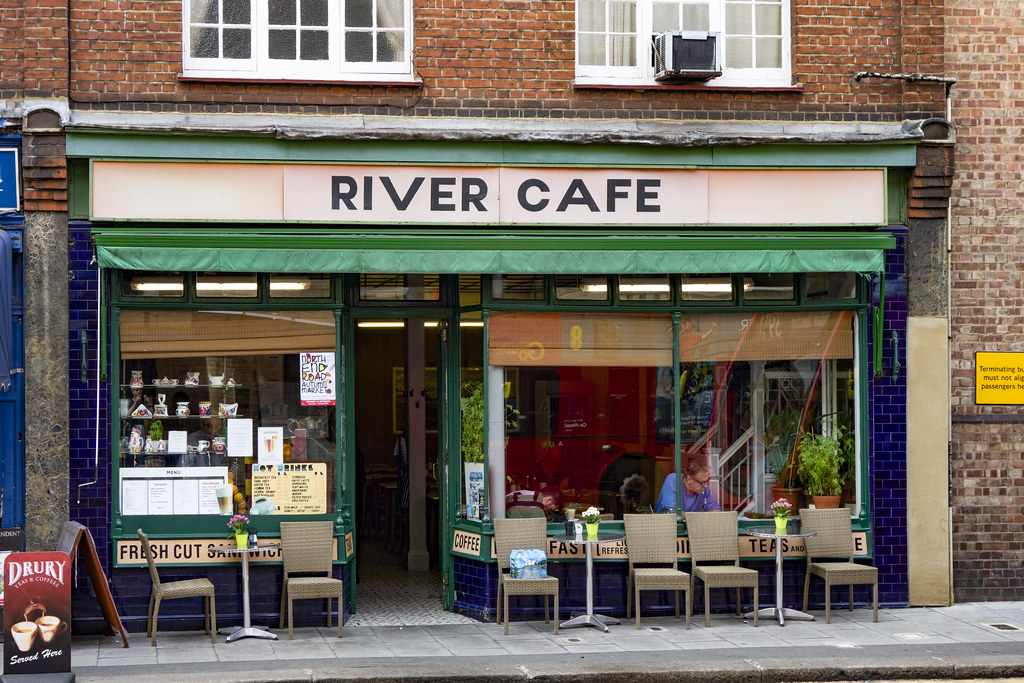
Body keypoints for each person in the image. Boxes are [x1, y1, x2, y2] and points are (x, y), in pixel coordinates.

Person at [654, 460, 721, 514]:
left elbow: (716, 510)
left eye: (707, 481)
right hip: (666, 526)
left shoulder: (703, 488)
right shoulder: (673, 480)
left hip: (692, 527)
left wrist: (686, 516)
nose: (706, 486)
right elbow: (672, 513)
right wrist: (698, 517)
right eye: (703, 482)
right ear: (689, 479)